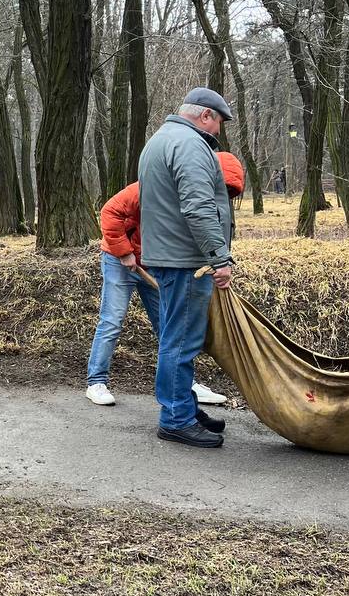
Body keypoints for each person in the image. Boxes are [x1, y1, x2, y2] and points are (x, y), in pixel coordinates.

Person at [86, 151, 244, 408]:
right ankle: (96, 381)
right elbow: (109, 212)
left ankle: (184, 384)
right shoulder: (152, 188)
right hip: (119, 261)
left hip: (156, 264)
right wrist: (124, 252)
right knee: (112, 320)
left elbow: (201, 237)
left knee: (171, 326)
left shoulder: (202, 204)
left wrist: (216, 264)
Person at [138, 88, 236, 449]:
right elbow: (198, 207)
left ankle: (184, 407)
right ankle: (176, 418)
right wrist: (219, 257)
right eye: (219, 123)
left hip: (168, 256)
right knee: (182, 340)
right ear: (206, 116)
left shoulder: (161, 139)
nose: (218, 131)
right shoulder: (191, 145)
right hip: (186, 261)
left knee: (175, 336)